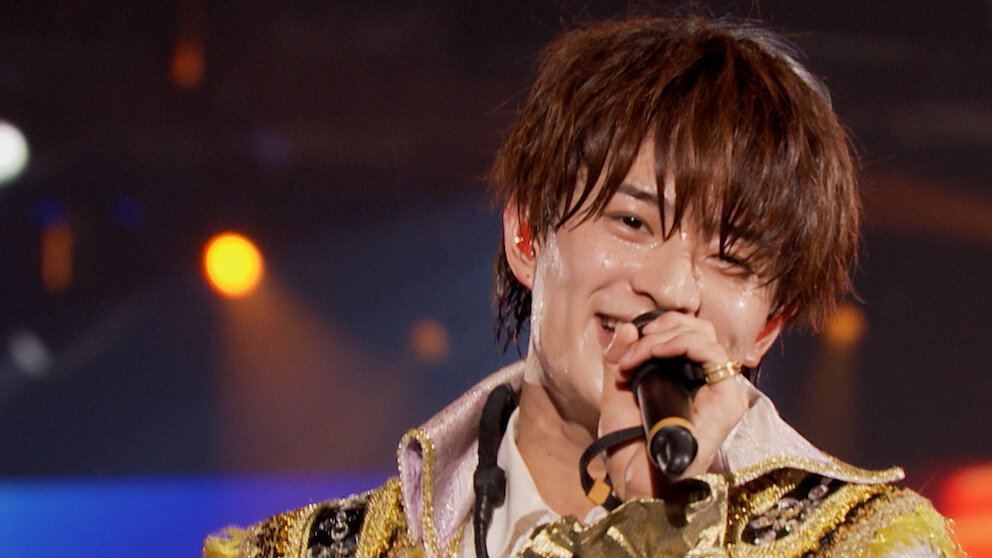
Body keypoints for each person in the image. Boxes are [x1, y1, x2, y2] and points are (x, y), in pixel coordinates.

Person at [205, 15, 957, 558]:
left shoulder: (871, 544)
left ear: (767, 325)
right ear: (528, 235)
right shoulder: (311, 550)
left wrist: (664, 527)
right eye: (632, 221)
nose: (672, 287)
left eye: (731, 257)